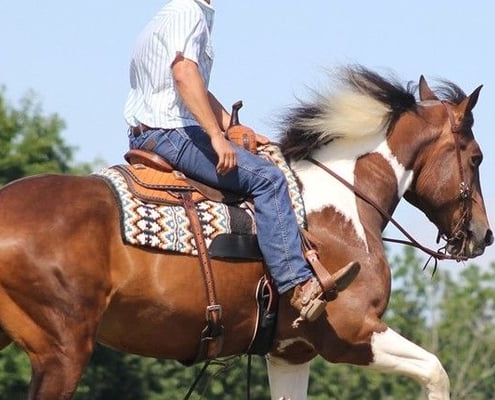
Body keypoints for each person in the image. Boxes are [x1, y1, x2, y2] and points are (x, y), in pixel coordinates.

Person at [123, 0, 359, 323]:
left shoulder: (166, 15)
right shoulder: (188, 13)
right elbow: (184, 74)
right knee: (268, 179)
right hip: (171, 133)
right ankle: (299, 285)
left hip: (149, 131)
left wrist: (230, 127)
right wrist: (217, 139)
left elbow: (196, 91)